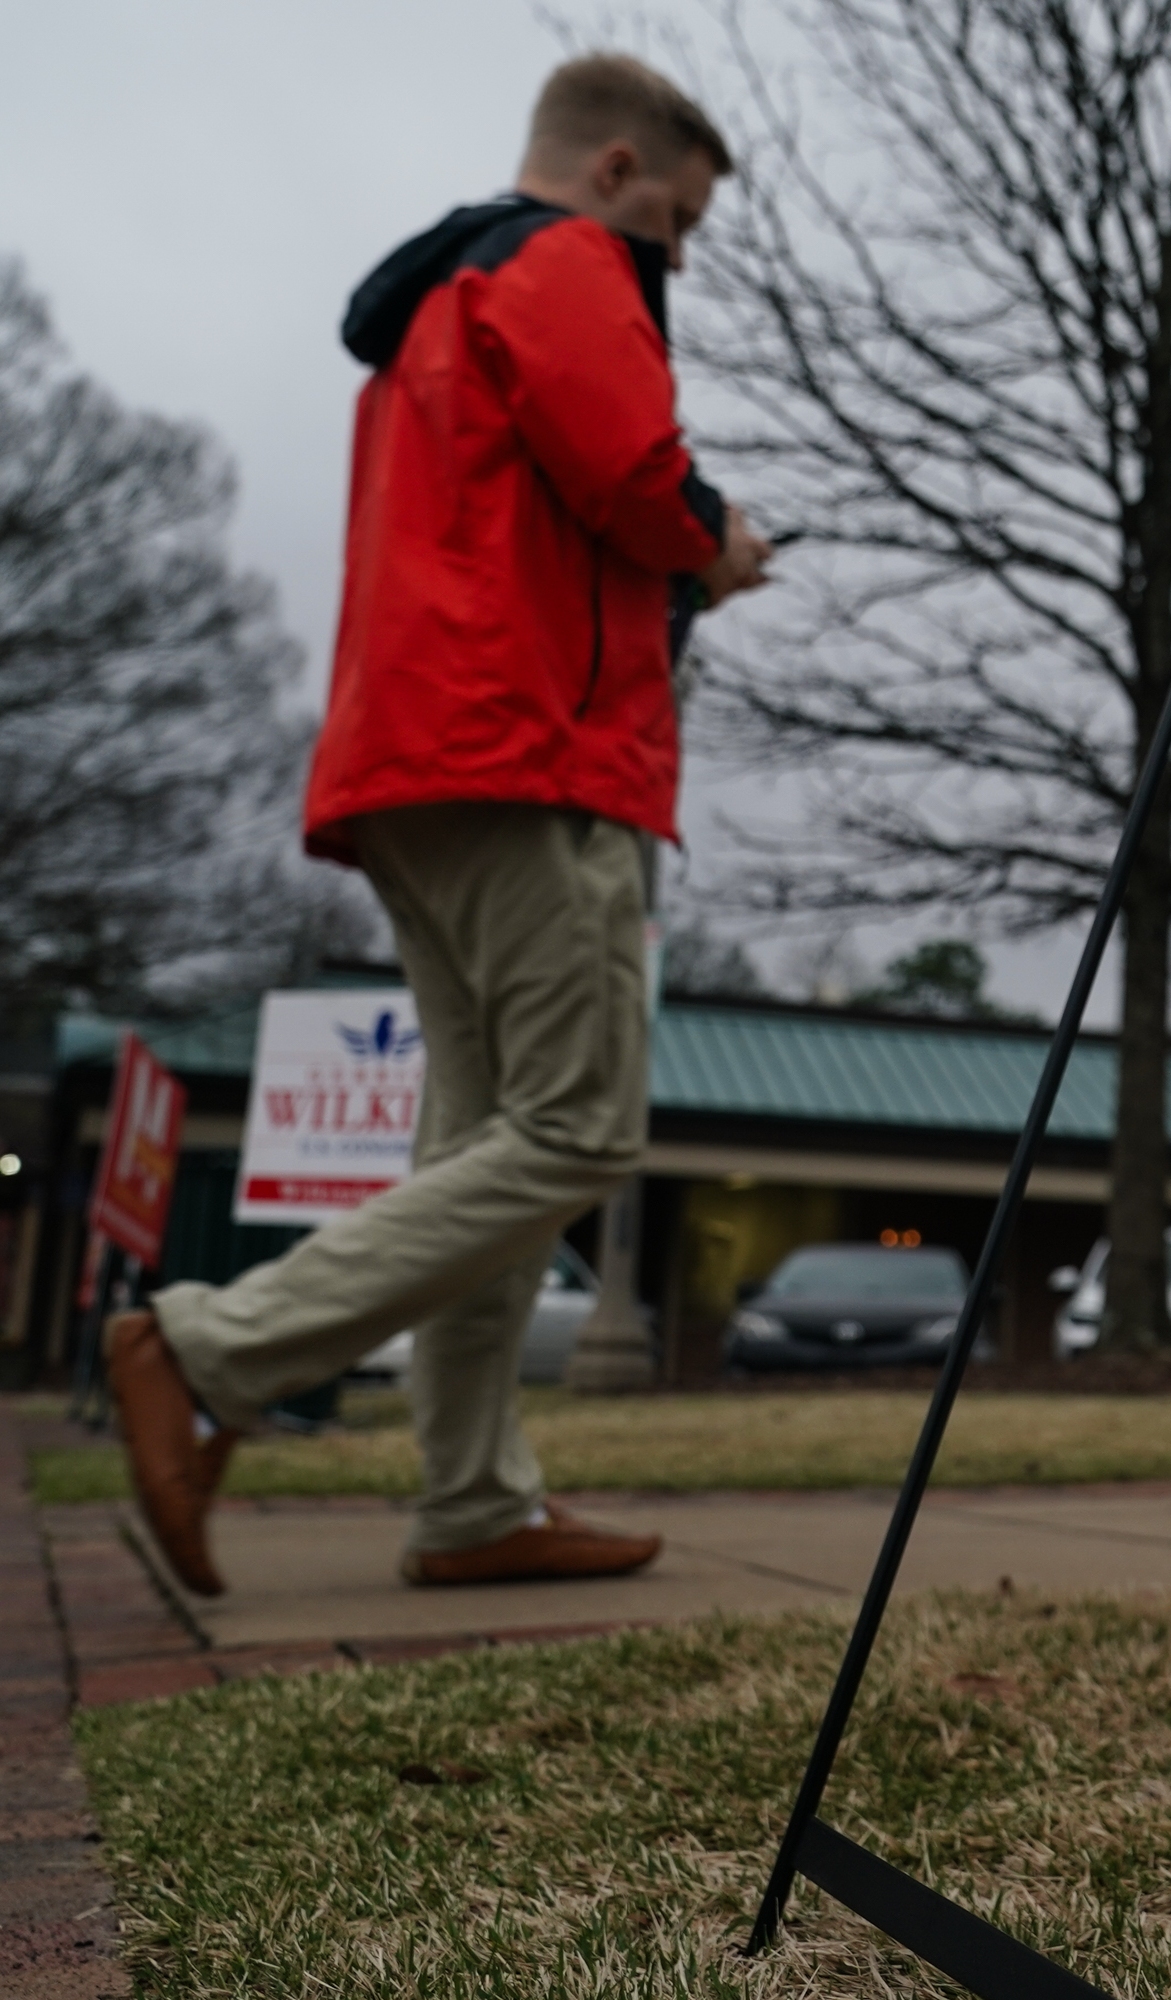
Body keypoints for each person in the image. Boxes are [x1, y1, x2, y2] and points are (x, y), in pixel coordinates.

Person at [104, 53, 775, 1596]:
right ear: (616, 171)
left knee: (485, 1139)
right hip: (525, 753)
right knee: (579, 1128)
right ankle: (204, 1346)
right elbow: (630, 468)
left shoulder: (442, 298)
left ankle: (474, 1500)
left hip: (421, 753)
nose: (674, 257)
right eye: (676, 221)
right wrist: (713, 548)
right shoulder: (563, 261)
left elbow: (540, 499)